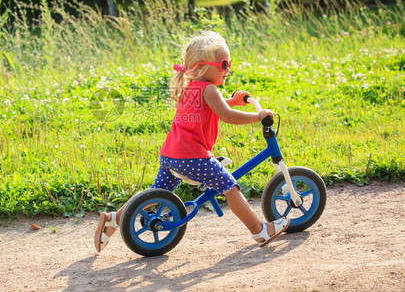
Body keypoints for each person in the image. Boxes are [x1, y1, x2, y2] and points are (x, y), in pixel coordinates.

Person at [94, 31, 289, 253]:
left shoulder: (190, 87)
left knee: (157, 193)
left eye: (229, 63)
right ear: (204, 67)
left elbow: (214, 107)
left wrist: (233, 101)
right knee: (230, 186)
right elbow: (225, 115)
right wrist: (257, 116)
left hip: (170, 154)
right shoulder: (209, 89)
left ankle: (113, 220)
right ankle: (260, 231)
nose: (228, 69)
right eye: (223, 64)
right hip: (192, 156)